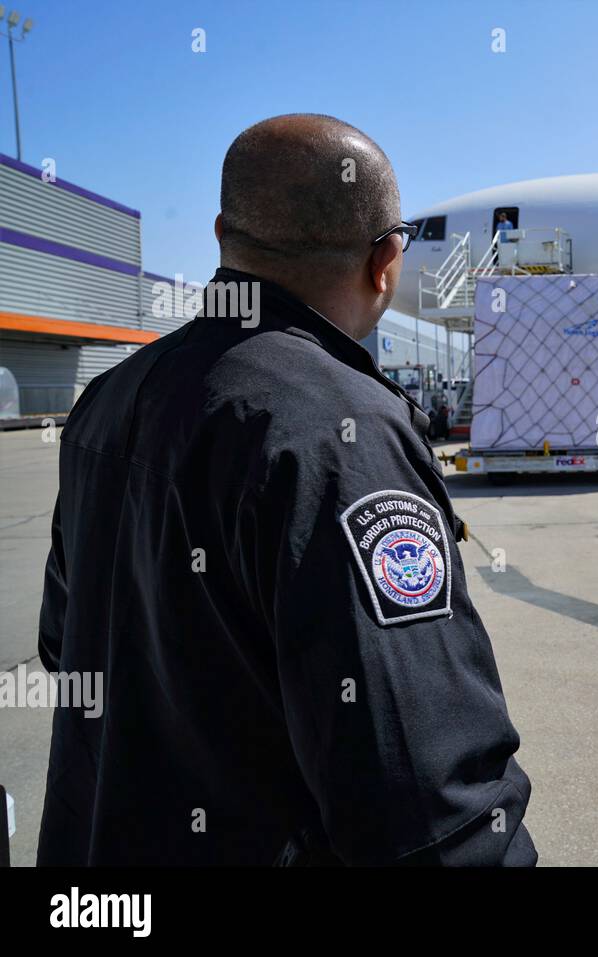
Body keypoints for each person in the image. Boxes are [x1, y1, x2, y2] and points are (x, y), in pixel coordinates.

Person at [36, 114, 536, 866]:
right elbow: (424, 788)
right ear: (385, 262)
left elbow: (62, 644)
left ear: (221, 234)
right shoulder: (343, 434)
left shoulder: (106, 402)